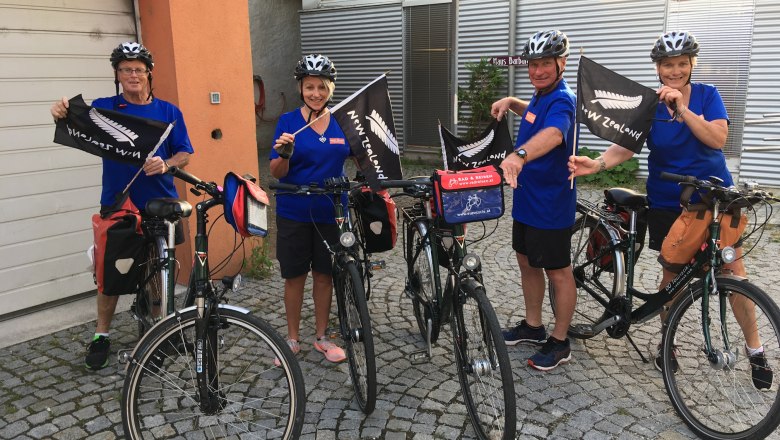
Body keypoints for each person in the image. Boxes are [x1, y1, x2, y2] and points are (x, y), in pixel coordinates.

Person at [568, 31, 772, 388]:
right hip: (668, 203)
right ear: (658, 68)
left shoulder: (708, 96)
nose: (674, 70)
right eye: (667, 65)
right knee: (672, 279)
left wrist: (683, 109)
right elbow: (626, 148)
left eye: (681, 64)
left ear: (691, 65)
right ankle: (668, 343)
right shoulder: (648, 105)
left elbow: (717, 139)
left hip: (713, 201)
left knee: (734, 274)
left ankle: (755, 350)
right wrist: (597, 164)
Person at [50, 42, 194, 370]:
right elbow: (71, 117)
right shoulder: (104, 109)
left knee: (160, 267)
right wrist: (58, 111)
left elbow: (185, 152)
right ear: (117, 74)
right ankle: (102, 334)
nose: (132, 75)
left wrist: (167, 163)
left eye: (138, 69)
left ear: (148, 74)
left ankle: (156, 326)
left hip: (160, 202)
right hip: (118, 202)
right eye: (126, 69)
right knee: (111, 273)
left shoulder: (169, 112)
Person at [492, 30, 578, 371]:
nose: (538, 70)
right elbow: (537, 117)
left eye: (545, 64)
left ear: (561, 64)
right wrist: (514, 102)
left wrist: (520, 154)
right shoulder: (542, 96)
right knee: (526, 261)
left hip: (551, 202)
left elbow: (555, 132)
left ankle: (559, 341)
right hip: (527, 198)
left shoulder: (563, 99)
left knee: (558, 271)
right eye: (533, 64)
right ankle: (532, 325)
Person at [269, 54, 350, 364]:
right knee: (294, 277)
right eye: (309, 87)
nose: (316, 93)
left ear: (330, 88)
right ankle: (291, 339)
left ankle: (321, 337)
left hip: (332, 211)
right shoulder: (288, 122)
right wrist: (284, 154)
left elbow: (360, 156)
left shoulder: (342, 120)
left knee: (324, 276)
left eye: (322, 87)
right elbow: (276, 172)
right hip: (294, 211)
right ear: (300, 88)